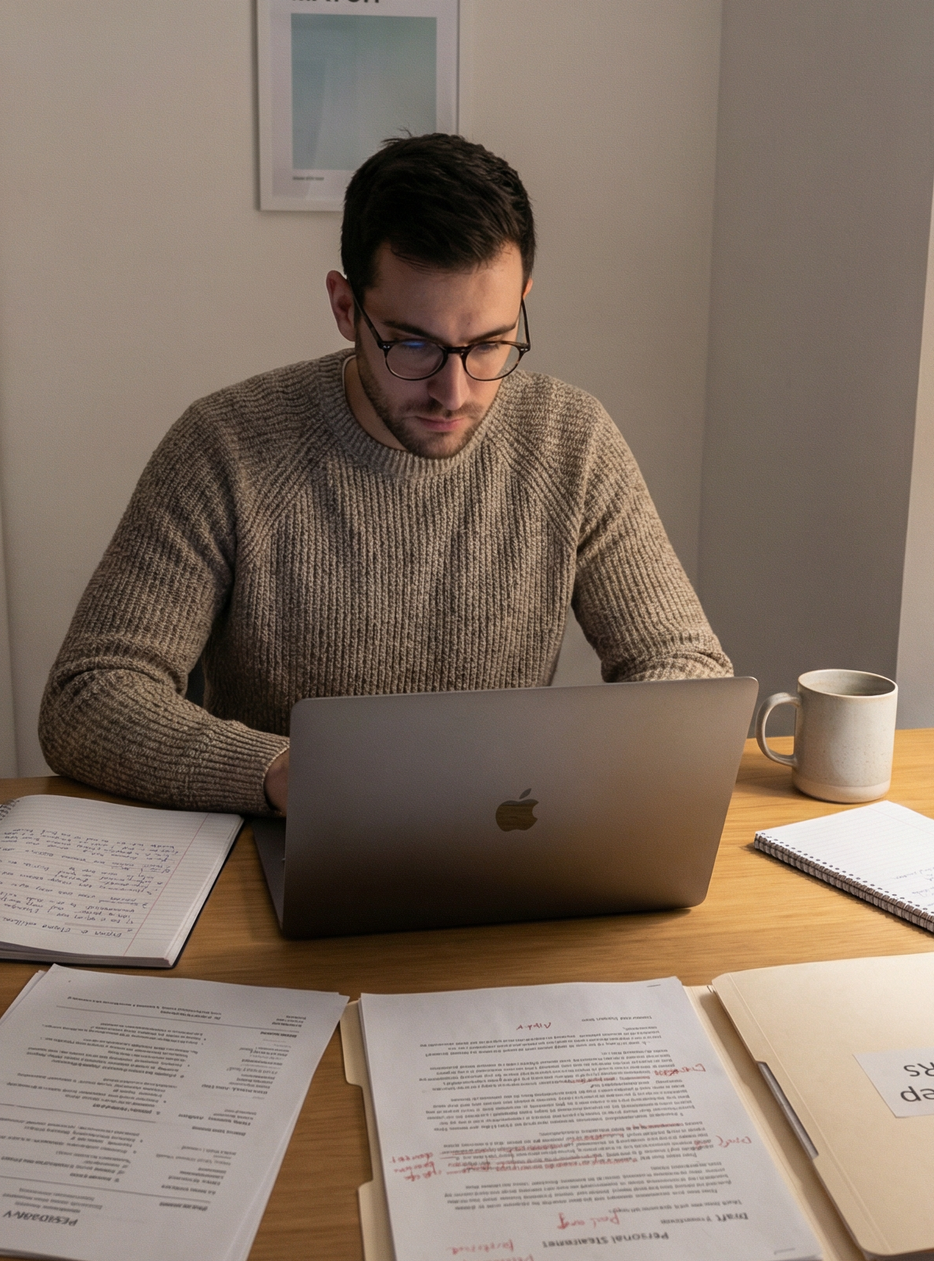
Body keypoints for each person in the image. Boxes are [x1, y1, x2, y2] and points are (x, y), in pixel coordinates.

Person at [39, 134, 731, 814]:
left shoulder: (570, 440)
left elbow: (686, 670)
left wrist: (572, 770)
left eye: (490, 344)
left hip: (509, 837)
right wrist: (284, 775)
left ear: (522, 299)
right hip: (285, 846)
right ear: (346, 308)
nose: (454, 393)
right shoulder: (225, 446)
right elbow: (89, 694)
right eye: (414, 345)